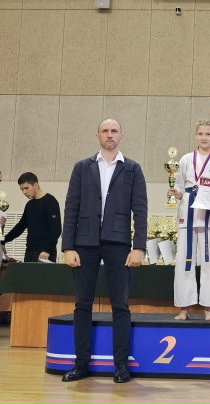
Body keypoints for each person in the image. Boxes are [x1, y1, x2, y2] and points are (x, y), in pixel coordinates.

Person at [61, 119, 148, 383]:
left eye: (114, 131)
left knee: (120, 305)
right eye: (105, 131)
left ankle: (120, 365)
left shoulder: (133, 169)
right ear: (97, 135)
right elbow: (71, 208)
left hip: (118, 244)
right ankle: (81, 364)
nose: (109, 135)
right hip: (84, 244)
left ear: (121, 136)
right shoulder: (82, 167)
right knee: (82, 305)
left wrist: (139, 247)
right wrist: (67, 247)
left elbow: (140, 211)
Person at [167, 120, 210, 321]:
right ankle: (184, 308)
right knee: (184, 261)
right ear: (195, 136)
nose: (204, 137)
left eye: (208, 134)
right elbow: (179, 187)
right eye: (200, 134)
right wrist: (175, 192)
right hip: (188, 212)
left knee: (209, 261)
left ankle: (208, 309)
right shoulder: (185, 159)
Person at [0, 172, 61, 262]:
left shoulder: (50, 201)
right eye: (22, 189)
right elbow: (20, 226)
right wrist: (4, 241)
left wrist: (47, 249)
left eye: (26, 188)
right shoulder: (29, 205)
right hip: (29, 252)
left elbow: (56, 229)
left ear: (35, 185)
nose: (24, 192)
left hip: (45, 253)